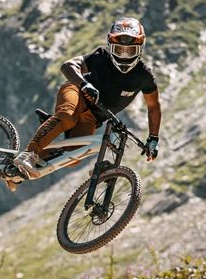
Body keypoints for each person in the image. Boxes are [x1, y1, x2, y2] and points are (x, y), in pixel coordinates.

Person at [12, 16, 161, 181]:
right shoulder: (101, 57)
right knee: (67, 117)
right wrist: (83, 84)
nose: (124, 56)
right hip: (77, 92)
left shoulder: (144, 76)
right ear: (111, 47)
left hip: (92, 118)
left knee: (73, 157)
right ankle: (28, 154)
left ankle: (16, 172)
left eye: (130, 51)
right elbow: (68, 66)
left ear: (140, 48)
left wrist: (153, 139)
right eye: (119, 50)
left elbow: (153, 106)